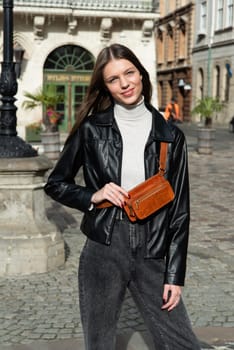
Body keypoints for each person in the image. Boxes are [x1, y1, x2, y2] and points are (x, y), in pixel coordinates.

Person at [44, 43, 201, 350]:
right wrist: (94, 194)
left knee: (181, 342)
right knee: (99, 343)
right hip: (104, 245)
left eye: (129, 73)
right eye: (114, 79)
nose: (124, 83)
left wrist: (174, 274)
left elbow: (180, 211)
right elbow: (56, 183)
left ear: (141, 74)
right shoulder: (92, 130)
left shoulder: (171, 135)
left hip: (153, 248)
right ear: (106, 87)